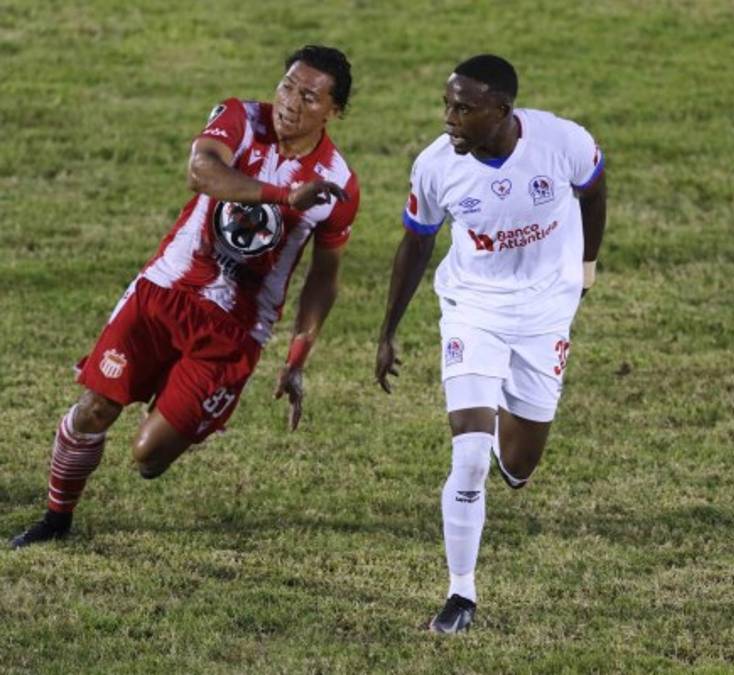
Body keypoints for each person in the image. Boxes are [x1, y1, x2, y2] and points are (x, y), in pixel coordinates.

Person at [10, 45, 360, 549]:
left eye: (308, 97)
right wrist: (283, 197)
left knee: (148, 457)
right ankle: (55, 519)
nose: (289, 102)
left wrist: (299, 354)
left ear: (334, 111)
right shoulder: (240, 118)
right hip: (164, 293)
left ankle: (180, 406)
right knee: (94, 408)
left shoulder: (341, 184)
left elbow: (324, 278)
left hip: (233, 332)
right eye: (287, 85)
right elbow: (202, 171)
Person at [375, 54, 607, 633]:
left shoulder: (562, 142)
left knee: (520, 466)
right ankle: (461, 594)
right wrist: (388, 330)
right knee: (470, 455)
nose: (449, 118)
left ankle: (502, 413)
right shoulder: (435, 166)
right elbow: (416, 244)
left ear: (502, 111)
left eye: (464, 108)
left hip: (544, 313)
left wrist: (587, 265)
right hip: (472, 309)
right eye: (447, 105)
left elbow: (595, 187)